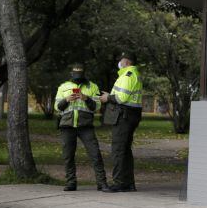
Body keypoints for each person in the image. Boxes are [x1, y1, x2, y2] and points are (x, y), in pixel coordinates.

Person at [54, 63, 107, 191]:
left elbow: (97, 107)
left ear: (84, 74)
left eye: (80, 74)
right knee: (68, 156)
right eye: (75, 74)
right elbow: (57, 107)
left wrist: (86, 98)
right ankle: (71, 183)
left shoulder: (92, 86)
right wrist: (66, 99)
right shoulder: (63, 87)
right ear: (72, 73)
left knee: (95, 154)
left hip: (86, 126)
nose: (78, 76)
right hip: (67, 125)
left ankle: (102, 183)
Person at [99, 52, 142, 192]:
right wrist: (110, 96)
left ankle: (118, 183)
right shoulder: (133, 74)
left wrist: (108, 98)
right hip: (130, 115)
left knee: (118, 150)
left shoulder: (128, 75)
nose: (119, 63)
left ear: (127, 62)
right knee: (125, 150)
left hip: (124, 116)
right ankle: (128, 183)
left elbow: (121, 98)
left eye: (121, 60)